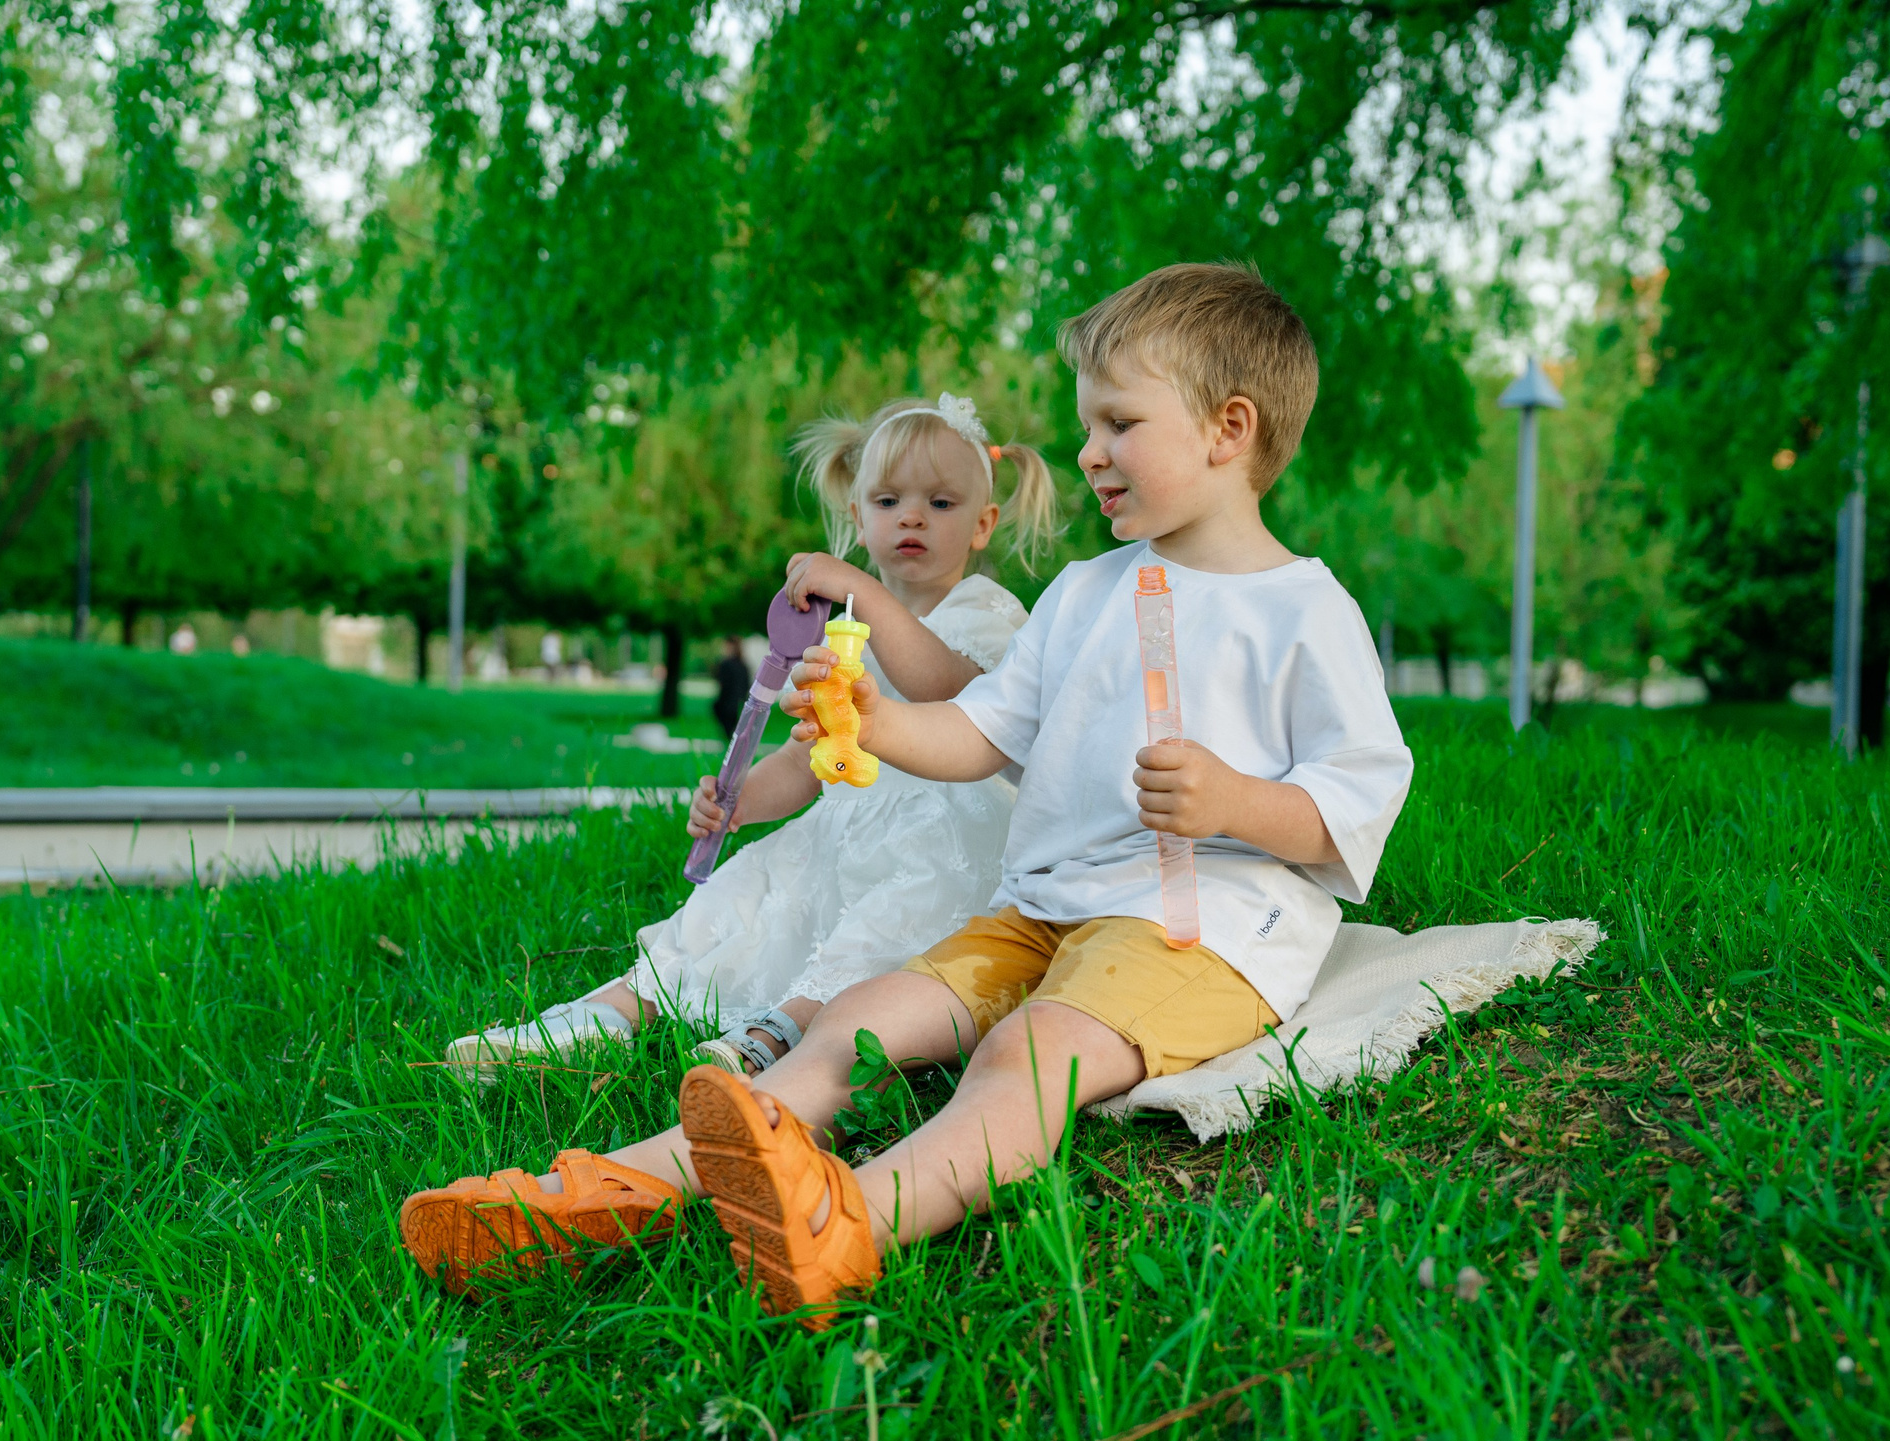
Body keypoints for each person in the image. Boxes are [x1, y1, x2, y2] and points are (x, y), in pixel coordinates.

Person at [401, 263, 1415, 1327]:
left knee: (1029, 1052)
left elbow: (1353, 797)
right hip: (1047, 910)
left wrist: (1236, 803)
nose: (1088, 453)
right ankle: (625, 1184)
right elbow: (980, 731)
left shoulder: (1302, 610)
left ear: (1228, 428)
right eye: (1087, 426)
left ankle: (853, 1218)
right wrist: (879, 726)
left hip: (1197, 927)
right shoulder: (1084, 593)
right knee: (861, 1015)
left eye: (1117, 424)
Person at [444, 394, 1059, 1077]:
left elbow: (950, 692)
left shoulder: (988, 610)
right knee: (749, 896)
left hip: (947, 830)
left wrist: (862, 591)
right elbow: (804, 758)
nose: (911, 516)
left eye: (941, 504)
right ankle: (604, 1018)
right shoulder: (838, 635)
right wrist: (742, 801)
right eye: (888, 501)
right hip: (850, 825)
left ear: (983, 524)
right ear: (858, 516)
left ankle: (777, 1034)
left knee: (887, 918)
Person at [709, 637, 751, 738]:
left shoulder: (726, 664)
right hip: (738, 701)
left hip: (728, 701)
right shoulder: (742, 665)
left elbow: (722, 682)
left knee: (729, 726)